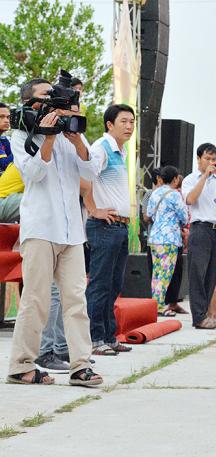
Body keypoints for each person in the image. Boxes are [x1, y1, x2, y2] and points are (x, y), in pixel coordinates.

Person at [7, 78, 102, 386]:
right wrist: (47, 137)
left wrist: (75, 141)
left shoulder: (70, 130)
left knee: (76, 298)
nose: (52, 99)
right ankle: (21, 365)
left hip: (73, 230)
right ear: (30, 103)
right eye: (45, 95)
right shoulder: (20, 135)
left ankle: (80, 365)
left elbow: (91, 172)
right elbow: (33, 174)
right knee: (35, 299)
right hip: (40, 227)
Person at [84, 104, 135, 356]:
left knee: (114, 284)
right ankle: (94, 339)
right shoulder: (100, 148)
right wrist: (94, 210)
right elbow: (84, 178)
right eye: (124, 121)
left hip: (119, 226)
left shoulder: (121, 152)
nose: (129, 126)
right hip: (104, 226)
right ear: (109, 125)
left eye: (132, 122)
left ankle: (108, 335)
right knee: (100, 284)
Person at [181, 143, 216, 329]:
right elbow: (190, 199)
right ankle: (198, 317)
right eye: (207, 158)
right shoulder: (190, 179)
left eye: (214, 160)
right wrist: (205, 176)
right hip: (200, 228)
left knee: (212, 274)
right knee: (197, 273)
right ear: (198, 158)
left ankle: (206, 313)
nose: (211, 162)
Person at [147, 166, 188, 315]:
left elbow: (149, 213)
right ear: (176, 179)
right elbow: (184, 216)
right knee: (165, 274)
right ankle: (158, 306)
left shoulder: (155, 193)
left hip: (155, 237)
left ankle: (155, 303)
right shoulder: (175, 195)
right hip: (169, 239)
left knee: (156, 273)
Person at [0, 102, 13, 175]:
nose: (7, 121)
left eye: (8, 117)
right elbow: (5, 165)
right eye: (1, 117)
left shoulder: (3, 139)